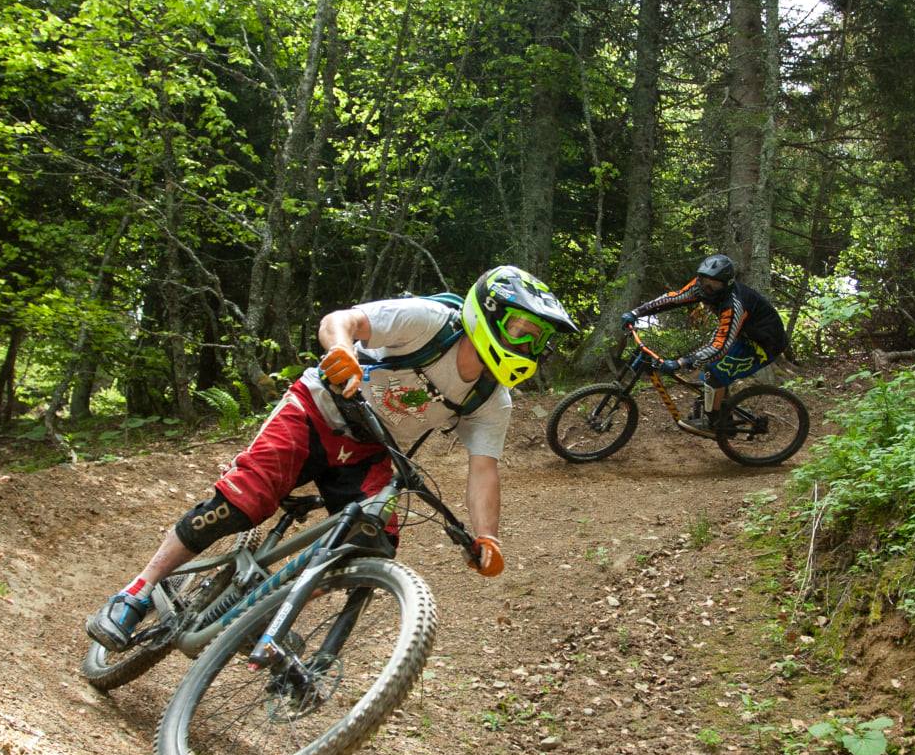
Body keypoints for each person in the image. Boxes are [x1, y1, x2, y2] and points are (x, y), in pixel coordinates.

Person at [86, 266, 578, 650]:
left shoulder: (492, 399)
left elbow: (483, 469)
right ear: (487, 313)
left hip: (368, 450)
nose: (527, 345)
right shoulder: (431, 323)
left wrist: (486, 535)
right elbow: (340, 321)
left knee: (370, 546)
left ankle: (268, 616)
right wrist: (343, 350)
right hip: (317, 409)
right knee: (243, 502)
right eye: (520, 329)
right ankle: (136, 591)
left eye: (537, 338)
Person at [619, 253, 788, 431]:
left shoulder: (734, 305)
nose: (707, 286)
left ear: (726, 284)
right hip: (744, 334)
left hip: (765, 344)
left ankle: (715, 421)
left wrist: (680, 362)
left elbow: (719, 347)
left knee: (714, 372)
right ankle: (722, 410)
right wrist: (636, 312)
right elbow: (673, 298)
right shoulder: (700, 286)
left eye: (713, 283)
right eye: (703, 279)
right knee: (710, 368)